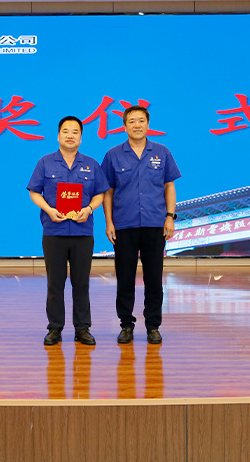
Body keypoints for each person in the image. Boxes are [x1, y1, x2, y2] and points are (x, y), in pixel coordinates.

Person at [101, 106, 181, 345]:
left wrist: (170, 217)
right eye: (132, 121)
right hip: (124, 225)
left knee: (154, 278)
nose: (137, 125)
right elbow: (108, 192)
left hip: (154, 223)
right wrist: (109, 222)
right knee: (125, 278)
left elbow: (169, 186)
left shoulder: (162, 152)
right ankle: (126, 325)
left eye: (141, 121)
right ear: (124, 126)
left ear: (148, 124)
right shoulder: (113, 155)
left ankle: (153, 326)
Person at [28, 116, 110, 346]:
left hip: (82, 232)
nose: (70, 135)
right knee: (55, 283)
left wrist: (89, 209)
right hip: (54, 231)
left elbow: (100, 194)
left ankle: (82, 329)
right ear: (58, 136)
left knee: (81, 283)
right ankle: (55, 328)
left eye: (75, 132)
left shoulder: (91, 164)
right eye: (66, 131)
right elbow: (34, 192)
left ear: (81, 137)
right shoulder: (45, 162)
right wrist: (49, 209)